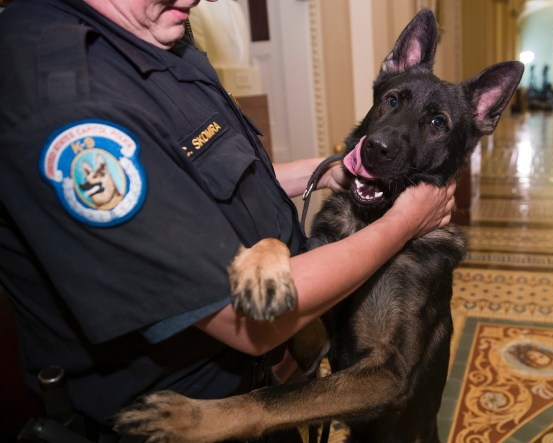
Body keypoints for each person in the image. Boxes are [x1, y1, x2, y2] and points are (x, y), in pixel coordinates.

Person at [0, 0, 456, 440]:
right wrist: (405, 222)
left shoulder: (154, 35)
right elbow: (256, 320)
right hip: (191, 419)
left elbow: (212, 183)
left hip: (265, 385)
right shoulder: (66, 92)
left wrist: (331, 169)